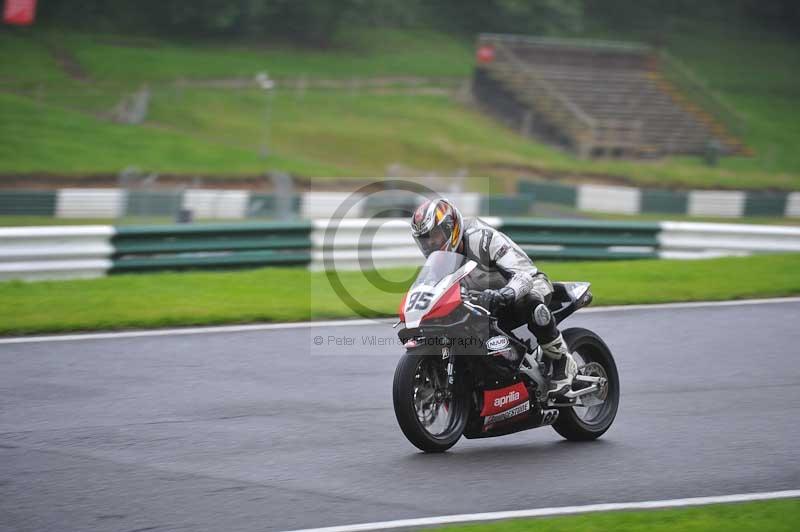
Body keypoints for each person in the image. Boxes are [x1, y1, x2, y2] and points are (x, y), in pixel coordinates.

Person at [410, 197, 576, 394]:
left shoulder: (483, 239)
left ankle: (562, 361)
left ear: (449, 228)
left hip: (525, 285)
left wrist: (505, 293)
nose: (430, 243)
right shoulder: (440, 262)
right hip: (484, 302)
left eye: (434, 236)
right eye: (424, 239)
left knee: (530, 303)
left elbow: (523, 274)